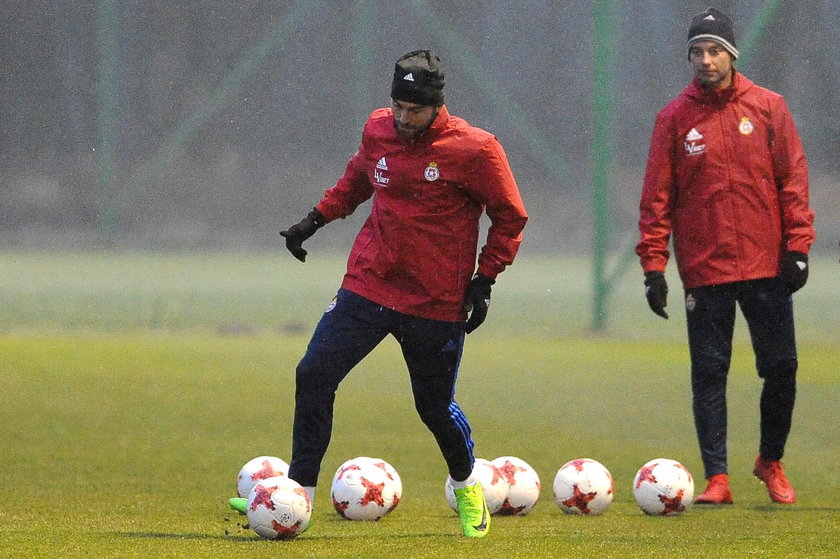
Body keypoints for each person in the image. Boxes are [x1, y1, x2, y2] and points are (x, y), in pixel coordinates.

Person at [277, 50, 527, 537]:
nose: (403, 117)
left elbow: (511, 216)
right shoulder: (378, 129)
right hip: (369, 284)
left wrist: (485, 278)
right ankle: (297, 496)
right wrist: (313, 221)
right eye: (397, 106)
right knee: (313, 373)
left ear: (437, 106)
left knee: (433, 407)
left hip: (435, 302)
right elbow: (356, 180)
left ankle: (467, 482)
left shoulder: (476, 150)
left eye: (414, 109)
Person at [636, 8, 815, 505]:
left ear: (731, 54)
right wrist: (654, 267)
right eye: (697, 51)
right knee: (710, 372)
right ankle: (718, 477)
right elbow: (656, 199)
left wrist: (798, 247)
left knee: (781, 367)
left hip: (766, 265)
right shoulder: (673, 119)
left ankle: (769, 461)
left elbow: (793, 182)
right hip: (705, 268)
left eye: (714, 50)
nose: (705, 60)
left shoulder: (769, 108)